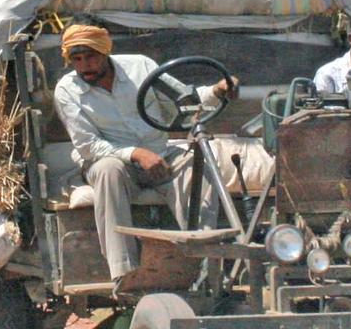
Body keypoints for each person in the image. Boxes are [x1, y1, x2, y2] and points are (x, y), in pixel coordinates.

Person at [52, 23, 237, 280]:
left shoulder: (140, 67)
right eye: (77, 59)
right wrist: (136, 154)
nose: (85, 66)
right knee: (109, 170)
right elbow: (88, 145)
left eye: (91, 56)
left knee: (196, 167)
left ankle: (206, 261)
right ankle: (123, 273)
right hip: (109, 161)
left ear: (105, 52)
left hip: (159, 153)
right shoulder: (67, 90)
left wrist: (217, 92)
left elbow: (184, 99)